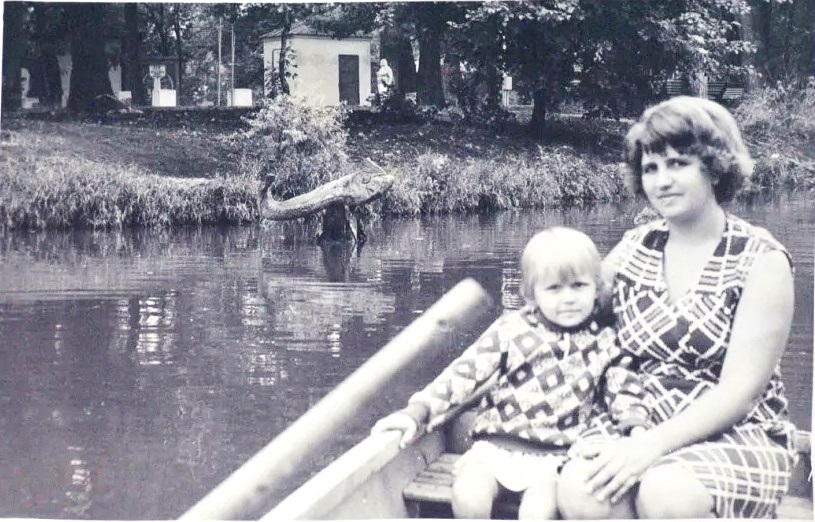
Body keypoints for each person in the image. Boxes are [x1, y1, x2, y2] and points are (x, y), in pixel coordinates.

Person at [556, 96, 798, 519]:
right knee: (583, 488)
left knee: (667, 493)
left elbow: (740, 394)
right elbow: (568, 324)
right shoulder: (633, 248)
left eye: (678, 164)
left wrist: (649, 448)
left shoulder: (761, 260)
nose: (661, 181)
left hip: (736, 433)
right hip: (637, 418)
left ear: (714, 167)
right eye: (650, 168)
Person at [372, 227, 651, 520]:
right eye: (554, 289)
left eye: (579, 286)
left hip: (554, 458)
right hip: (493, 449)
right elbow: (463, 374)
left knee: (538, 512)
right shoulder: (512, 329)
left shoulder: (605, 341)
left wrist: (637, 430)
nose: (568, 298)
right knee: (469, 497)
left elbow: (625, 391)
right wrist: (417, 412)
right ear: (532, 293)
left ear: (597, 288)